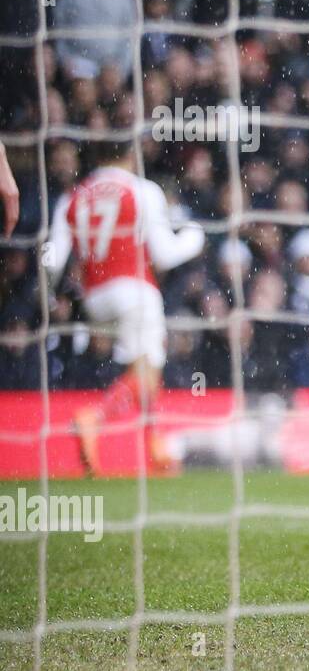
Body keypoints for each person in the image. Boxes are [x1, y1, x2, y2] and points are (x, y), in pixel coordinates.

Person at [43, 140, 205, 474]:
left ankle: (155, 448)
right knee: (148, 370)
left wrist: (46, 297)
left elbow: (52, 259)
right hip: (135, 289)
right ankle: (96, 418)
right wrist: (195, 236)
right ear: (131, 155)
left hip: (94, 298)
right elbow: (164, 254)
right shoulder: (142, 190)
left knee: (142, 366)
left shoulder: (72, 197)